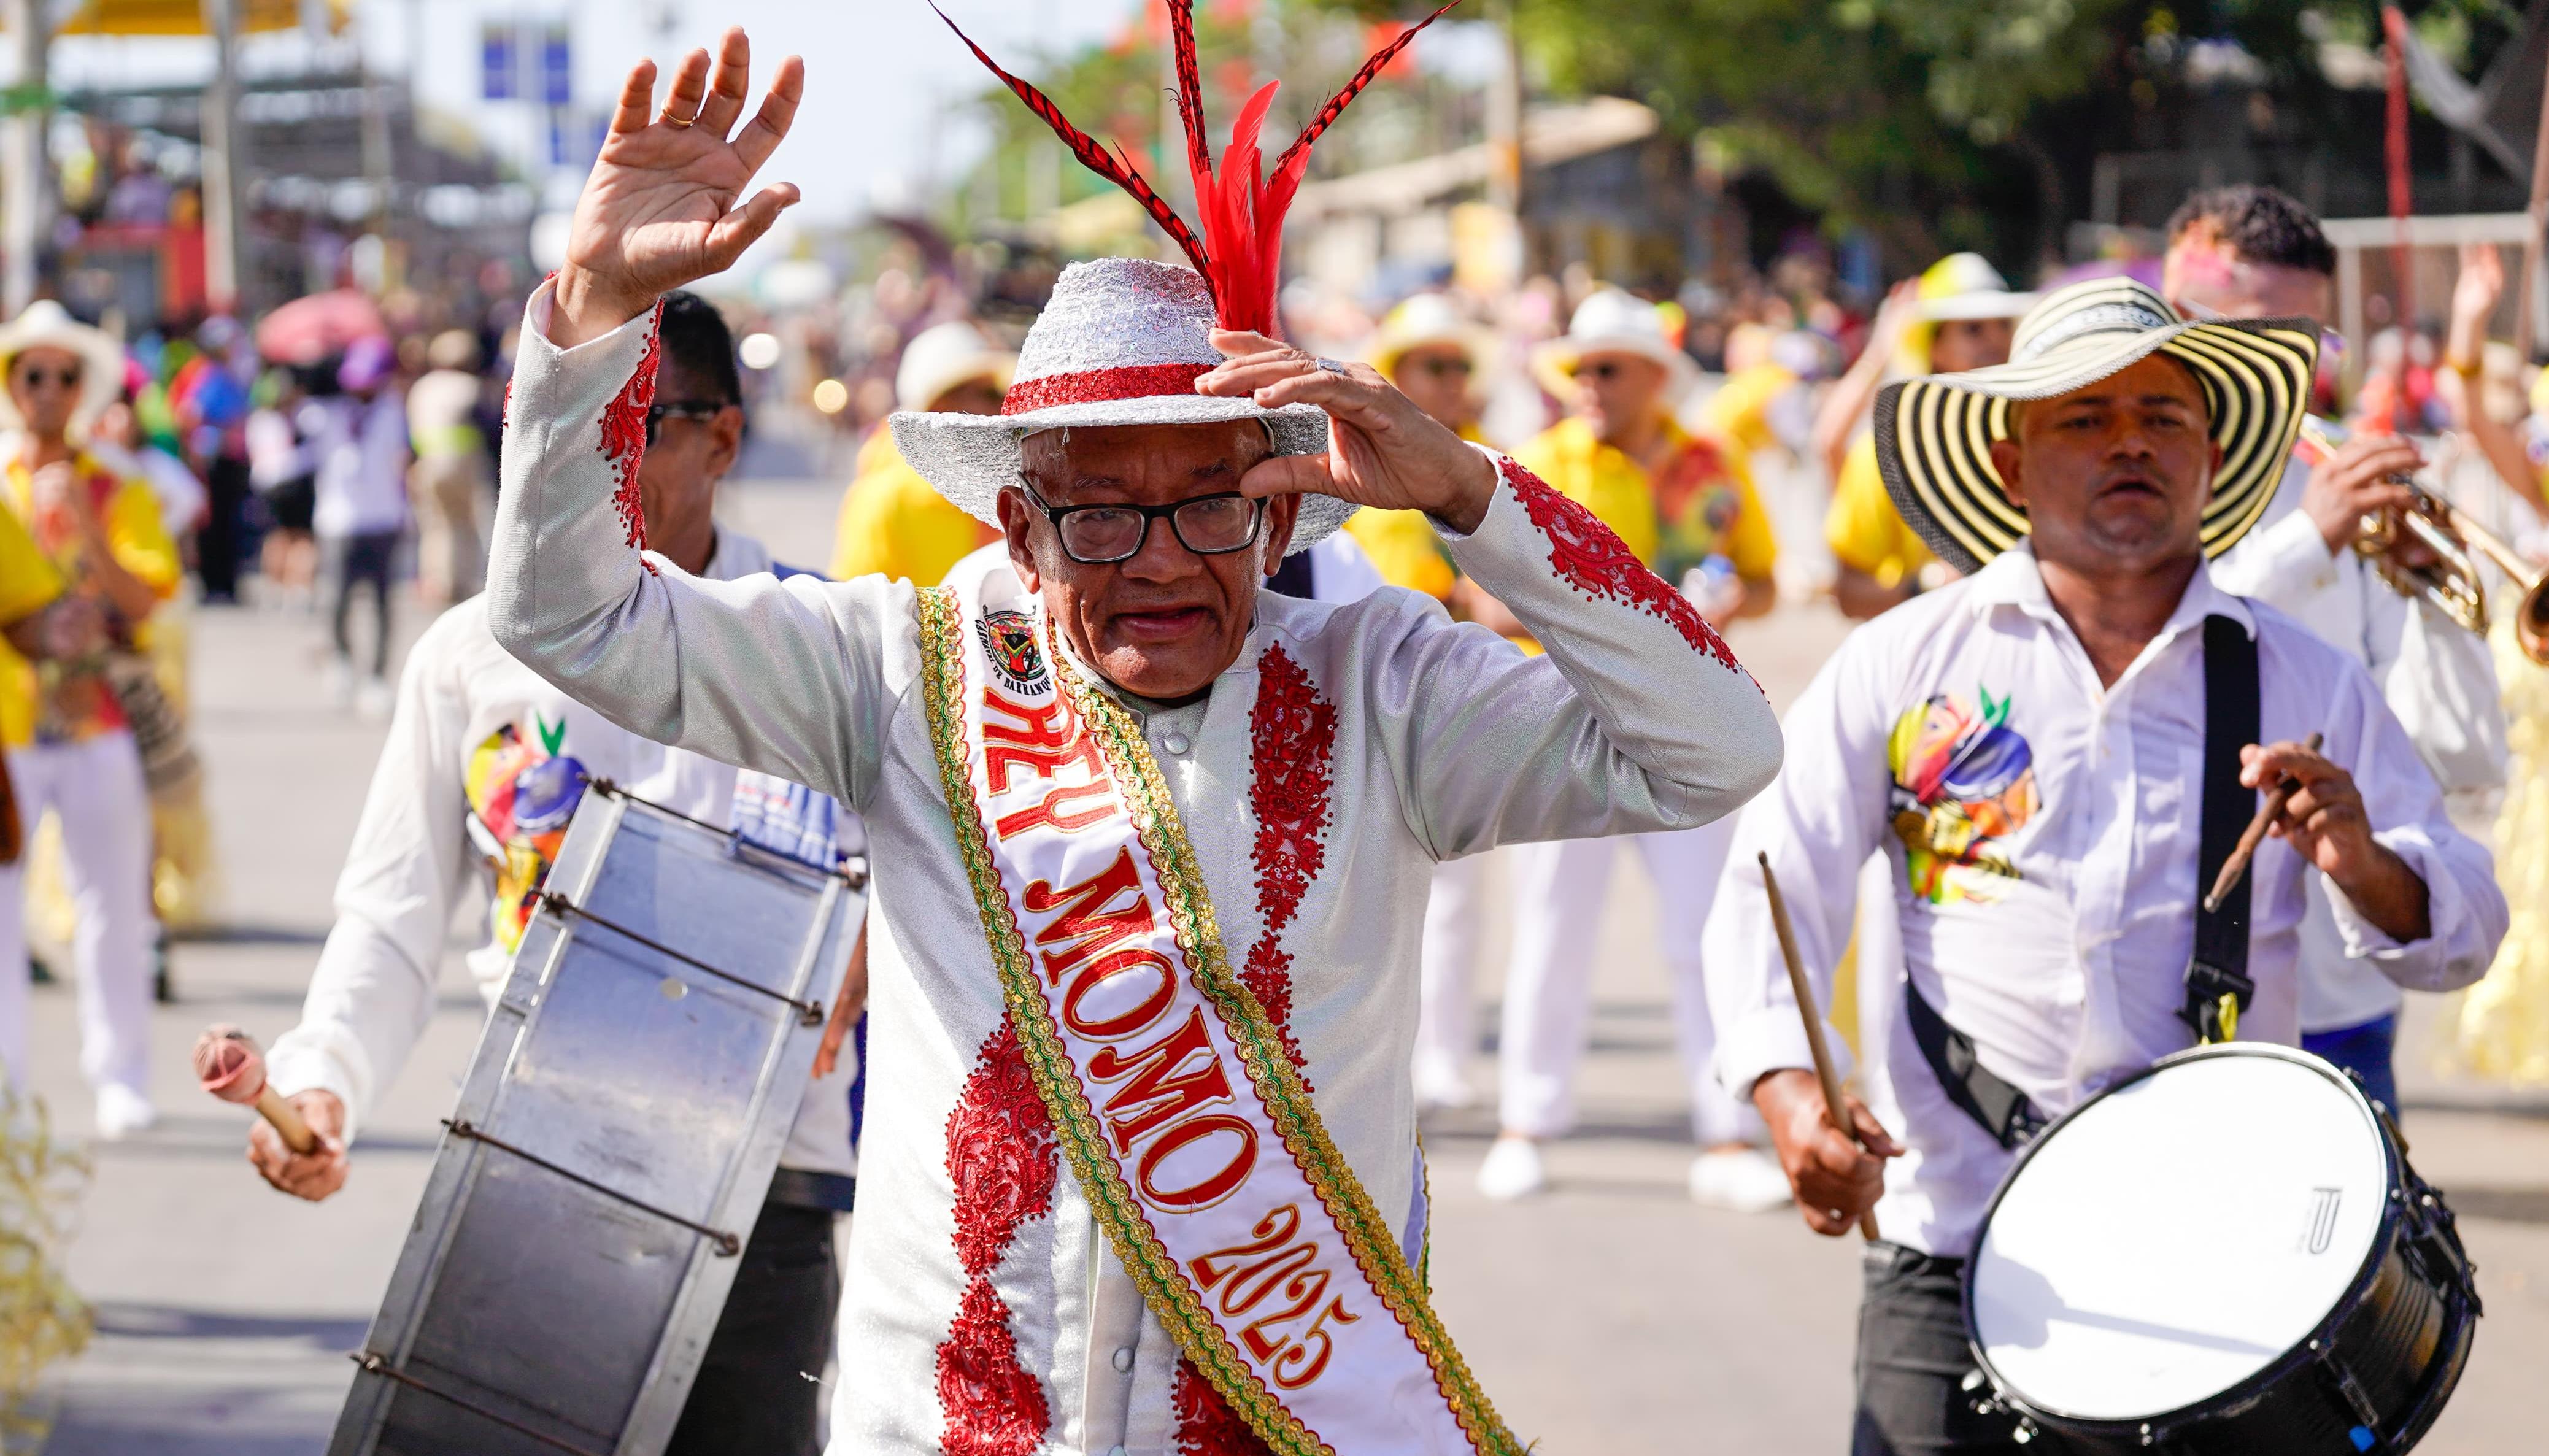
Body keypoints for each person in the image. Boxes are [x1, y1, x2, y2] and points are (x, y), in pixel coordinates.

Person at [490, 29, 1778, 1452]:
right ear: (1019, 528)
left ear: (1280, 517)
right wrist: (599, 304)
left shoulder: (1390, 689)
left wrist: (1475, 495)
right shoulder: (890, 673)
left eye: (1209, 508)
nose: (1161, 564)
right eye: (1100, 515)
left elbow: (1714, 750)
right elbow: (565, 622)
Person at [1705, 277, 2507, 1456]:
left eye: (2160, 415)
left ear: (2209, 455)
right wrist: (1787, 1094)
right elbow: (1770, 881)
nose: (2126, 439)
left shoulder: (2304, 679)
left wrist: (2360, 857)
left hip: (2217, 1268)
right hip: (1953, 1244)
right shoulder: (1901, 662)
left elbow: (2463, 925)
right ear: (2006, 464)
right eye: (2080, 418)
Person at [249, 291, 858, 1456]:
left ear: (722, 436)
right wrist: (320, 1074)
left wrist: (876, 931)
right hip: (532, 1168)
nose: (585, 463)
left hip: (764, 1196)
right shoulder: (470, 652)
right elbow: (392, 912)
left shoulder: (822, 642)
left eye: (627, 425)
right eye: (555, 426)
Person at [2171, 185, 2509, 1119]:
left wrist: (2431, 600)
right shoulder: (2137, 493)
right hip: (2182, 990)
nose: (2286, 368)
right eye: (2251, 333)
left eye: (2303, 339)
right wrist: (2307, 543)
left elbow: (2460, 754)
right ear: (2178, 319)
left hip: (2343, 987)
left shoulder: (2328, 484)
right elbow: (2161, 649)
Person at [1473, 285, 1783, 1208]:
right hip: (1565, 720)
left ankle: (1725, 1130)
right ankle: (1525, 1121)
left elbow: (1763, 583)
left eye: (1606, 367)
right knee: (1552, 925)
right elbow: (1488, 601)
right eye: (1578, 367)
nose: (1587, 383)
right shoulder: (1538, 464)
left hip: (1689, 722)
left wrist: (1725, 607)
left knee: (1703, 929)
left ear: (1654, 376)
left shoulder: (1711, 465)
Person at [0, 301, 180, 1137]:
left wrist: (89, 528)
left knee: (112, 905)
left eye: (62, 377)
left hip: (98, 720)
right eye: (31, 375)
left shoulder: (118, 485)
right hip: (10, 728)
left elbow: (148, 594)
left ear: (80, 389)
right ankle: (7, 1089)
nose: (46, 391)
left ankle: (121, 1075)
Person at [1361, 293, 1498, 1111]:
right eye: (1430, 366)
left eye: (1458, 366)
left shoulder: (1478, 466)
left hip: (1443, 703)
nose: (1449, 382)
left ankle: (1441, 1056)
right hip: (1369, 696)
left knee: (1454, 901)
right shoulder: (1350, 464)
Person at [1816, 254, 2033, 620]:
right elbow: (1849, 593)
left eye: (2003, 325)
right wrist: (1928, 587)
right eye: (1973, 328)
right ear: (1935, 347)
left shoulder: (2038, 438)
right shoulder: (1885, 453)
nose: (1995, 340)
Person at [827, 318, 1011, 585]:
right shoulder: (883, 500)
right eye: (960, 394)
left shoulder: (1008, 485)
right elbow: (859, 614)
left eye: (990, 393)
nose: (985, 408)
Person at [309, 337, 412, 714]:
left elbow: (405, 457)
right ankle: (340, 660)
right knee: (336, 600)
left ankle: (377, 678)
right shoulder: (327, 411)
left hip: (384, 519)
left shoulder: (394, 411)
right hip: (338, 521)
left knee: (384, 604)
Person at [406, 329, 492, 606]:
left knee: (437, 526)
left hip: (427, 463)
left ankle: (437, 582)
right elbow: (490, 428)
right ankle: (464, 584)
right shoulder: (470, 386)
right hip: (464, 465)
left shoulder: (422, 387)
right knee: (466, 524)